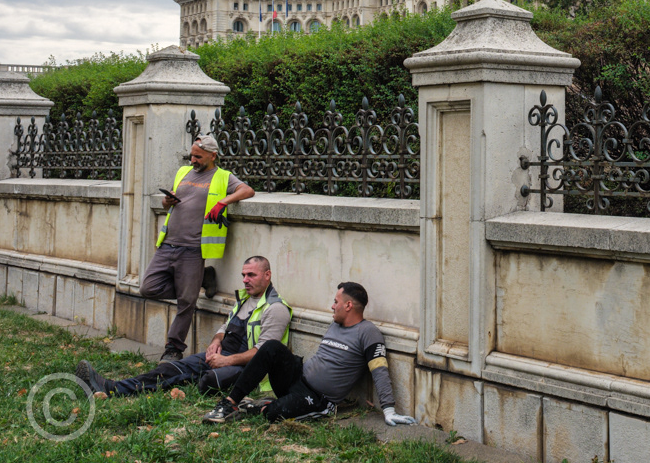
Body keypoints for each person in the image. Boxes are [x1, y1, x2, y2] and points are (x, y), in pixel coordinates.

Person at [201, 281, 414, 426]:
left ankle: (258, 408)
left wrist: (388, 410)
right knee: (272, 347)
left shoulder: (369, 332)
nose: (332, 306)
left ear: (348, 305)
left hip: (318, 399)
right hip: (297, 378)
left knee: (276, 413)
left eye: (336, 302)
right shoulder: (335, 324)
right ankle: (229, 403)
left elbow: (380, 370)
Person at [76, 256, 290, 397]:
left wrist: (226, 360)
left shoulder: (275, 309)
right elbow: (226, 324)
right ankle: (111, 388)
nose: (245, 280)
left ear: (267, 275)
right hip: (221, 356)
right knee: (169, 368)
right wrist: (217, 340)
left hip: (247, 369)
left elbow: (263, 353)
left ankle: (185, 379)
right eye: (243, 275)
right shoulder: (244, 298)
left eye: (251, 275)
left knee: (207, 382)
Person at [141, 134, 255, 361]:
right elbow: (168, 203)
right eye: (191, 155)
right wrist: (167, 202)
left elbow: (247, 191)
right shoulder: (183, 173)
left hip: (193, 248)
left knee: (186, 301)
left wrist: (223, 201)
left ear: (213, 156)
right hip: (168, 244)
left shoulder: (222, 176)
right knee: (148, 288)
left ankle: (173, 348)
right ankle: (201, 278)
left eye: (198, 156)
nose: (192, 160)